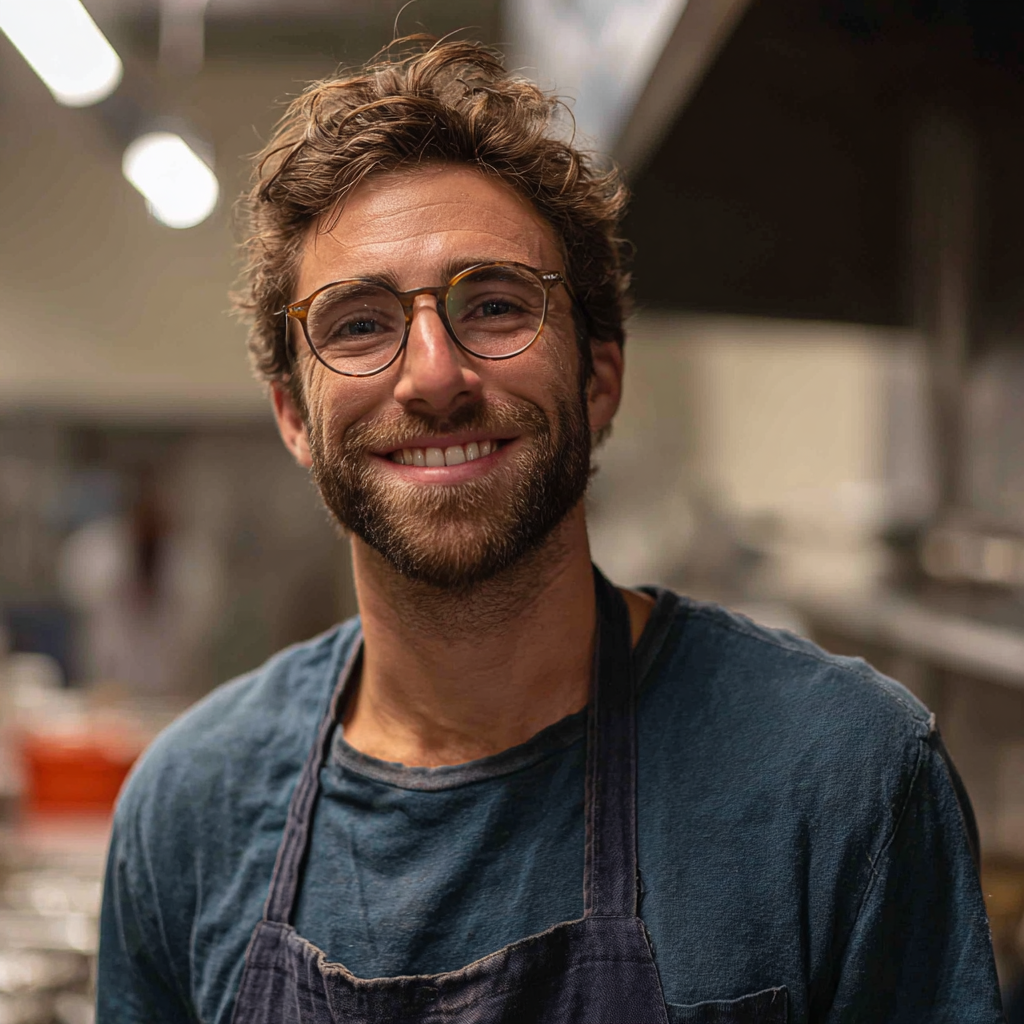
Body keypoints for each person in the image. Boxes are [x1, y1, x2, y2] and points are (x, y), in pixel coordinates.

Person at [97, 37, 1004, 1024]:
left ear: (599, 375)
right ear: (291, 417)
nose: (434, 374)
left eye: (493, 305)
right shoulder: (188, 809)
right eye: (357, 323)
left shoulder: (841, 780)